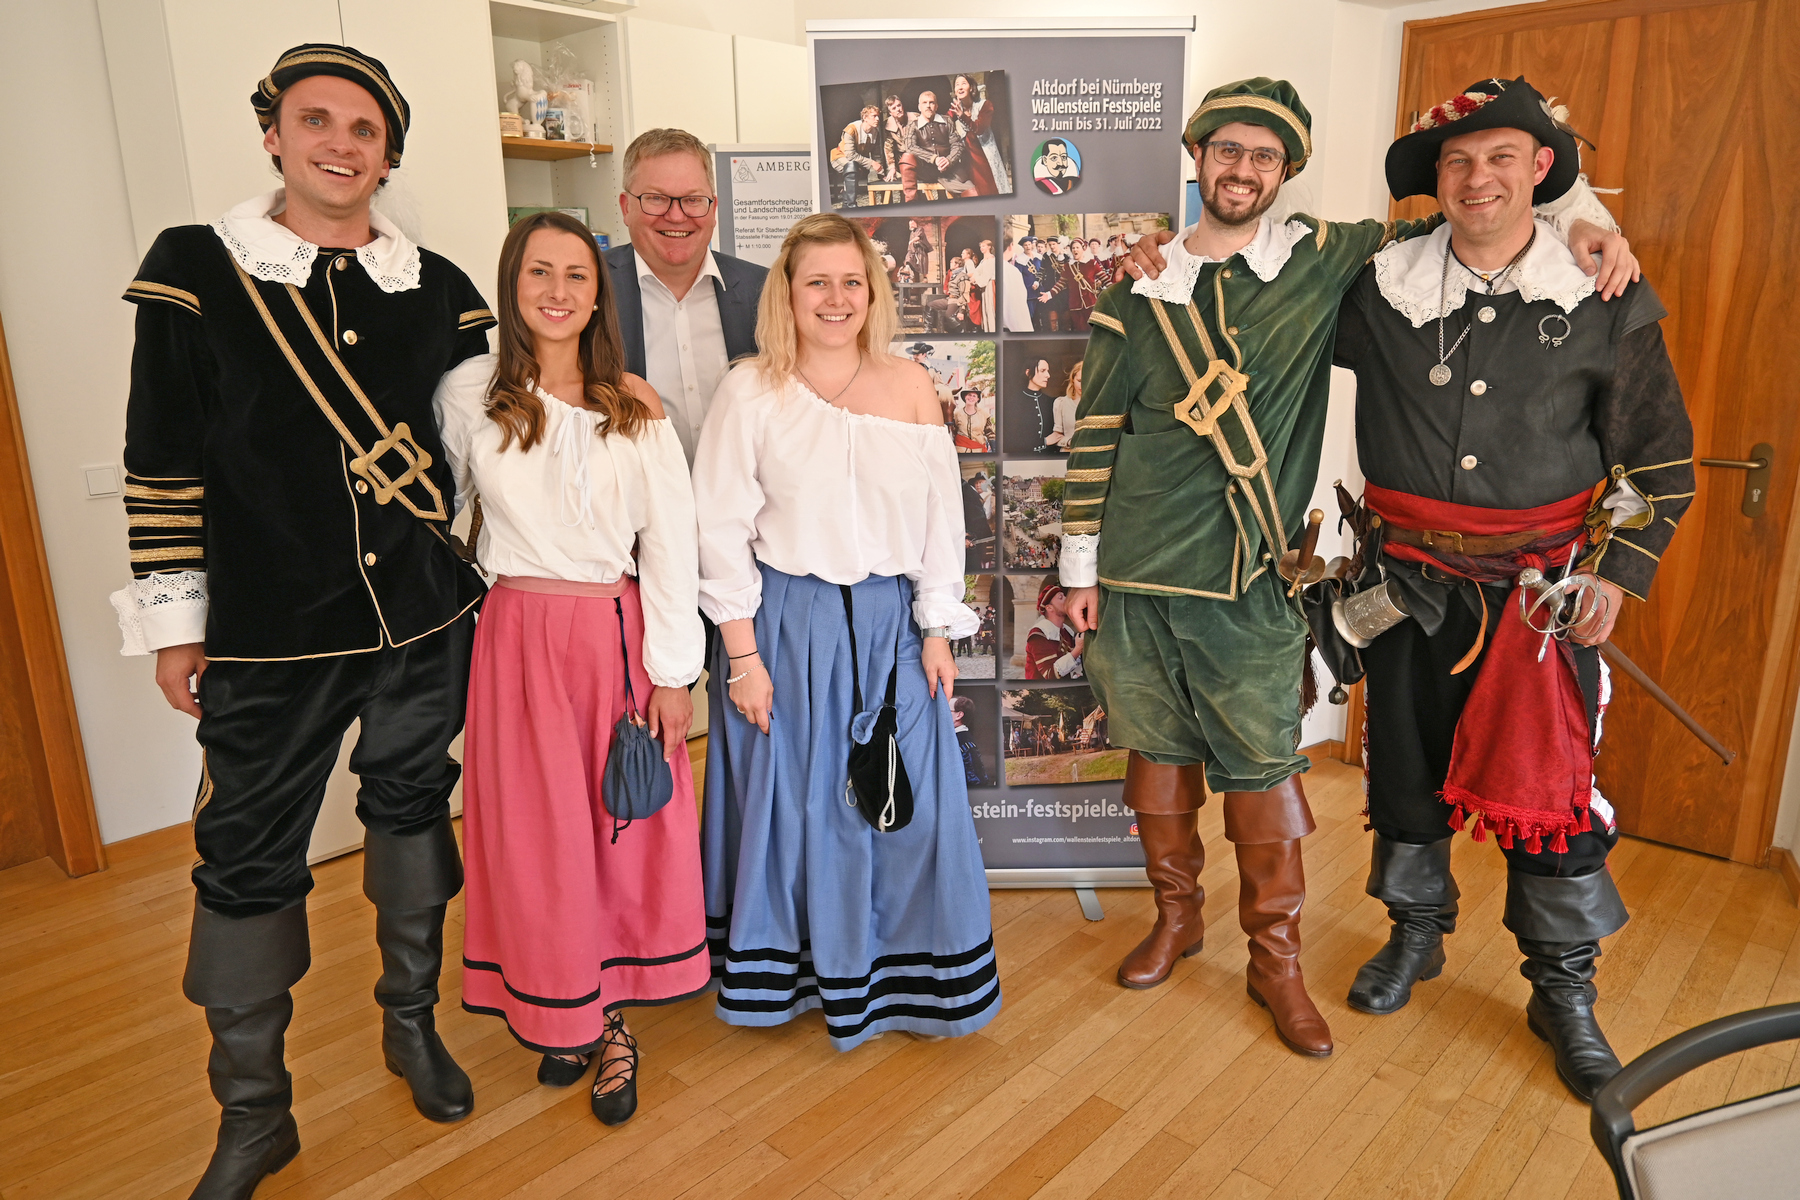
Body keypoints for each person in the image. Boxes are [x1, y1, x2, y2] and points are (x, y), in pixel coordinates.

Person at [1059, 77, 1637, 1058]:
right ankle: (1176, 916)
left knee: (1266, 777)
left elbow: (1483, 208)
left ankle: (1274, 960)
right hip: (1138, 578)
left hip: (1253, 581)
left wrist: (1586, 223)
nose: (1243, 169)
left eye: (1265, 155)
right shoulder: (1138, 283)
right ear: (1199, 157)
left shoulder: (1328, 259)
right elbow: (1097, 430)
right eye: (1228, 149)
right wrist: (1081, 568)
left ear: (1285, 171)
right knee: (1156, 768)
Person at [111, 45, 496, 1199]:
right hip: (268, 634)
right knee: (244, 858)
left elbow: (482, 442)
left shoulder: (432, 283)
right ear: (273, 133)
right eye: (315, 120)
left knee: (415, 812)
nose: (340, 143)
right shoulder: (194, 270)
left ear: (390, 153)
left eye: (365, 129)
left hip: (422, 618)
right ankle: (256, 1113)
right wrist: (178, 625)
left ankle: (411, 1024)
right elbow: (162, 467)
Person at [1330, 78, 1692, 1102]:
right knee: (1403, 776)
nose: (1477, 177)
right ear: (1434, 180)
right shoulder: (1379, 287)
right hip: (1408, 587)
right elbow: (1267, 286)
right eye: (1456, 160)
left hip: (1546, 601)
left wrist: (1618, 570)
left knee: (1555, 800)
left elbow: (1658, 460)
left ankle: (1563, 989)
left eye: (1501, 157)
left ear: (1540, 168)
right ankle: (1414, 935)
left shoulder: (1603, 294)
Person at [692, 213, 1000, 1049]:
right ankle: (798, 978)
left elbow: (943, 515)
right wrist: (743, 656)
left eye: (851, 282)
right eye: (816, 282)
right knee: (799, 802)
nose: (835, 299)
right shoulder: (749, 389)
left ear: (874, 292)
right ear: (786, 293)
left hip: (893, 624)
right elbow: (718, 528)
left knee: (902, 802)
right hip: (789, 624)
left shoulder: (909, 382)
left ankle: (902, 976)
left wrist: (938, 628)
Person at [434, 211, 708, 1128]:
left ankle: (613, 1020)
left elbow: (672, 543)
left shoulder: (635, 406)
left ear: (599, 294)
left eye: (577, 276)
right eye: (539, 273)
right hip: (513, 637)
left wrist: (672, 672)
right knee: (534, 838)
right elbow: (451, 519)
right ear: (512, 285)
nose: (558, 292)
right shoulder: (471, 393)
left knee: (611, 829)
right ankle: (560, 1007)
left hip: (611, 636)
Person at [604, 128, 767, 468]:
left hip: (742, 511)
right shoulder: (590, 287)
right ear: (626, 207)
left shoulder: (762, 289)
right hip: (631, 513)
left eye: (693, 200)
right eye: (656, 198)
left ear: (714, 208)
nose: (676, 216)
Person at [897, 89, 969, 201]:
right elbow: (910, 147)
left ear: (936, 106)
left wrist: (949, 160)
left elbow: (957, 145)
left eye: (931, 102)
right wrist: (934, 159)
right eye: (924, 103)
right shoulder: (913, 125)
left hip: (949, 170)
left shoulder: (947, 121)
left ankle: (949, 218)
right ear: (919, 107)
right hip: (926, 170)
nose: (928, 106)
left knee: (973, 193)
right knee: (906, 157)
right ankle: (914, 208)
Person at [947, 73, 1011, 196]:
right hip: (967, 158)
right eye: (957, 85)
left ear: (971, 88)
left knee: (990, 190)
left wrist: (963, 117)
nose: (960, 87)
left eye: (963, 83)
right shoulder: (956, 108)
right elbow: (945, 122)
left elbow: (979, 128)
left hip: (984, 157)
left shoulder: (985, 105)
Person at [1023, 581, 1083, 679]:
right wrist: (1078, 649)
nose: (1066, 599)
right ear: (1049, 608)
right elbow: (1050, 674)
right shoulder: (1038, 634)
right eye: (1061, 597)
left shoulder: (1066, 631)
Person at [832, 104, 885, 208]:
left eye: (878, 116)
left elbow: (876, 155)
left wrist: (882, 172)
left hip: (858, 162)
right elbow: (850, 155)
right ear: (865, 118)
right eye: (874, 116)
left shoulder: (875, 132)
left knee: (855, 168)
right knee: (852, 167)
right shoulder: (851, 129)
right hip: (839, 157)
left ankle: (846, 204)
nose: (877, 119)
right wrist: (871, 163)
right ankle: (851, 205)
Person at [950, 694, 993, 788]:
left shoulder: (963, 741)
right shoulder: (959, 738)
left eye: (947, 710)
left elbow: (976, 778)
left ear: (959, 715)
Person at [1016, 355, 1055, 453]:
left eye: (1048, 371)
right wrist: (1044, 441)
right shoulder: (1014, 401)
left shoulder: (1051, 402)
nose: (1048, 375)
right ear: (1028, 373)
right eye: (1043, 370)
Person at [964, 469, 997, 570]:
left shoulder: (990, 496)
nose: (978, 485)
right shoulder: (974, 496)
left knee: (986, 556)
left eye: (981, 482)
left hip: (988, 531)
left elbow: (988, 514)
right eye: (976, 482)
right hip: (977, 533)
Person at [1002, 235, 1034, 332]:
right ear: (1011, 246)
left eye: (1029, 244)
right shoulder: (1012, 271)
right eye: (1026, 245)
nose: (1028, 247)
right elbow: (1018, 313)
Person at [1047, 361, 1081, 451]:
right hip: (1067, 454)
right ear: (1073, 379)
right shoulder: (1061, 403)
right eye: (1079, 381)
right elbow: (1056, 437)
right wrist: (1070, 442)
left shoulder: (1096, 404)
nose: (1082, 385)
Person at [953, 385, 995, 452]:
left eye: (974, 396)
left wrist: (994, 449)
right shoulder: (956, 414)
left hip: (979, 451)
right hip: (960, 451)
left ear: (977, 399)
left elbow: (990, 433)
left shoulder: (984, 415)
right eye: (969, 395)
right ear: (965, 397)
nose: (971, 397)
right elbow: (953, 432)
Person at [971, 238, 998, 332]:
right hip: (984, 286)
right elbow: (977, 272)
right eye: (981, 246)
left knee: (990, 308)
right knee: (985, 309)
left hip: (989, 284)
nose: (981, 248)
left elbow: (987, 275)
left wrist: (976, 279)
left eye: (984, 246)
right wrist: (973, 278)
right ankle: (987, 330)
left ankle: (992, 330)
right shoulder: (983, 260)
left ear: (989, 247)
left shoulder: (991, 259)